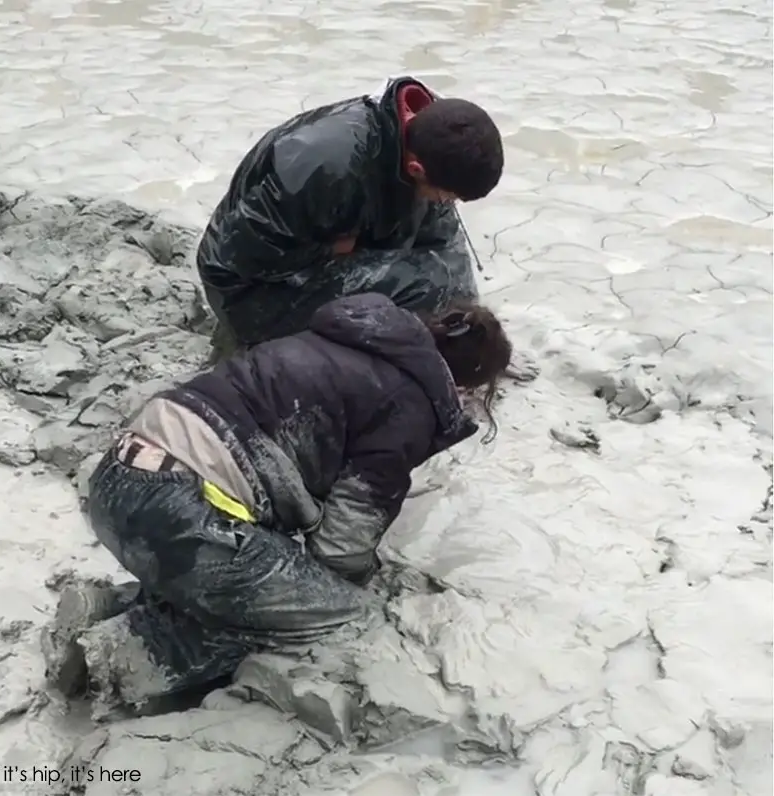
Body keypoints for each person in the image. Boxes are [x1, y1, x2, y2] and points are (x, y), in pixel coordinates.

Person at [41, 292, 512, 709]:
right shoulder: (408, 407)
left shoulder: (347, 338)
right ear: (465, 388)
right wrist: (353, 580)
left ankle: (100, 606)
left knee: (237, 569)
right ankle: (112, 657)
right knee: (331, 611)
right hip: (178, 504)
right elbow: (341, 547)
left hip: (118, 476)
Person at [196, 75, 505, 361]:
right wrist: (330, 250)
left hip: (324, 243)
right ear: (416, 170)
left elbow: (446, 245)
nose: (448, 204)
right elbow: (238, 259)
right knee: (428, 282)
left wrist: (476, 332)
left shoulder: (432, 137)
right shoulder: (323, 167)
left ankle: (464, 353)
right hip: (248, 294)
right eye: (448, 196)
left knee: (447, 267)